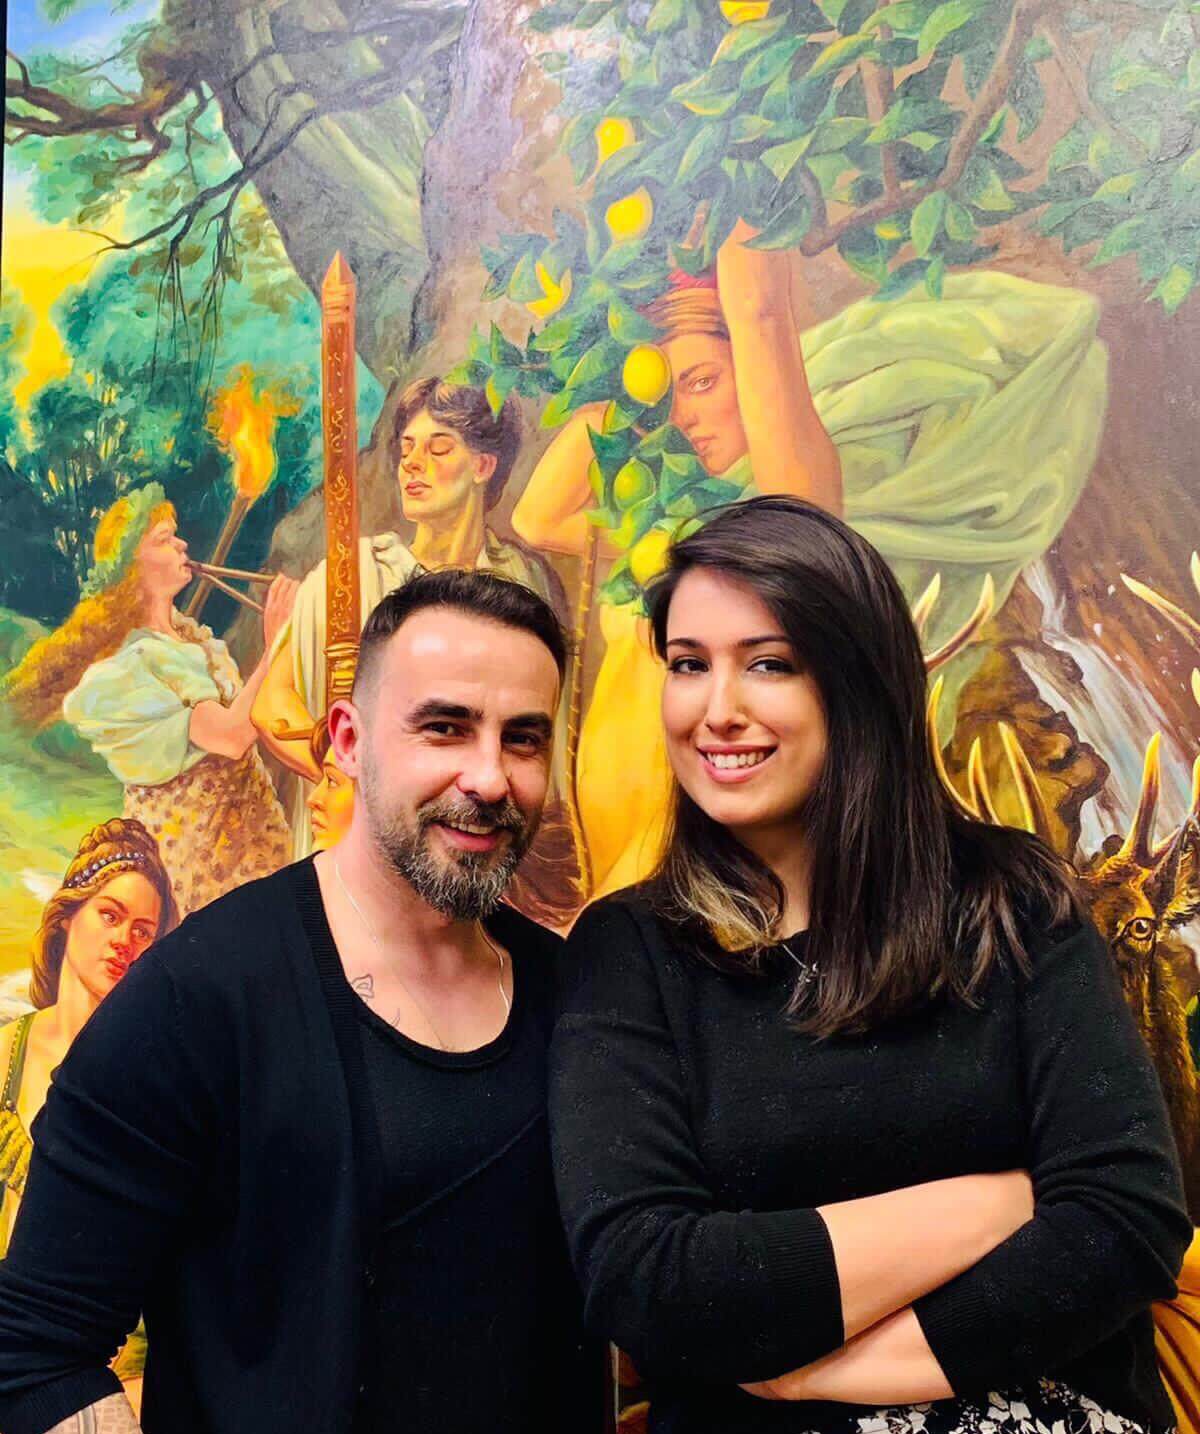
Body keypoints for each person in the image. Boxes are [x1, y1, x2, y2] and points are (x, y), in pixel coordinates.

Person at [550, 496, 1200, 1434]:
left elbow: (1127, 1216)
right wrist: (996, 1203)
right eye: (689, 664)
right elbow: (652, 1280)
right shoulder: (631, 952)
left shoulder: (1011, 899)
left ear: (857, 681)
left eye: (769, 664)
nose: (716, 709)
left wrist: (824, 1373)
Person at [0, 570, 625, 1434]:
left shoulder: (577, 1002)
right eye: (444, 727)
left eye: (523, 739)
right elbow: (35, 1346)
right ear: (346, 739)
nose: (489, 776)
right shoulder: (195, 998)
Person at [513, 224, 1107, 899]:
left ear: (754, 374)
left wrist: (744, 280)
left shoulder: (785, 507)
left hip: (692, 825)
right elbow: (537, 519)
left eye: (704, 382)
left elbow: (761, 314)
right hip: (619, 823)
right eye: (667, 402)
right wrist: (621, 390)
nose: (686, 418)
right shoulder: (675, 525)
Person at [252, 377, 567, 865]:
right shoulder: (354, 572)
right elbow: (271, 704)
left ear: (484, 465)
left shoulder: (524, 579)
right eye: (406, 449)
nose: (412, 464)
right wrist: (355, 769)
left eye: (439, 448)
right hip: (367, 842)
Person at [0, 819, 177, 1434]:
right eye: (110, 914)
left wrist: (70, 1402)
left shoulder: (159, 1086)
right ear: (68, 916)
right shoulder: (4, 1056)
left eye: (144, 930)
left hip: (99, 1418)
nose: (124, 940)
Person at [2, 485, 296, 917]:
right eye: (164, 538)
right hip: (198, 861)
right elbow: (232, 736)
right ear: (132, 568)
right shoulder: (133, 665)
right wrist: (276, 645)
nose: (182, 545)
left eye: (175, 535)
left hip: (248, 840)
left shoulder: (192, 639)